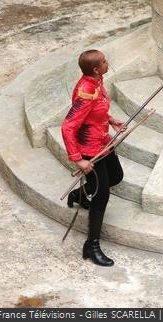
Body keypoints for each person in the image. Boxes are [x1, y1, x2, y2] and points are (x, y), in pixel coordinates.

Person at [61, 49, 125, 267]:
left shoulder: (97, 82)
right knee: (102, 195)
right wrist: (78, 159)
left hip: (103, 141)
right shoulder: (86, 91)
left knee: (116, 176)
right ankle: (92, 246)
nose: (108, 63)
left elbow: (96, 111)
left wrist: (111, 120)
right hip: (90, 150)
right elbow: (68, 126)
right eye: (105, 61)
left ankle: (79, 194)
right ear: (96, 69)